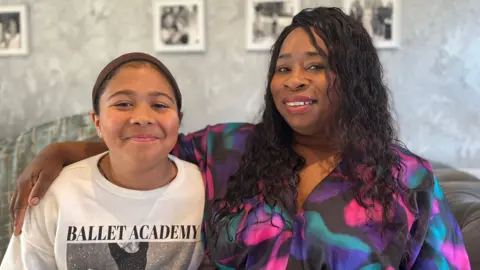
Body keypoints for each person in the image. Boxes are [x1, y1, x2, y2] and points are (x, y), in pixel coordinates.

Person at [11, 7, 470, 269]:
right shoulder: (230, 150)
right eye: (283, 69)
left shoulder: (407, 179)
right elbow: (148, 140)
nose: (293, 80)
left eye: (315, 66)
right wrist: (63, 150)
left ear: (354, 78)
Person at [2, 53, 205, 269]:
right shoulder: (53, 194)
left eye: (160, 105)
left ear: (179, 120)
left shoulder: (208, 189)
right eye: (124, 104)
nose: (142, 117)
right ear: (97, 122)